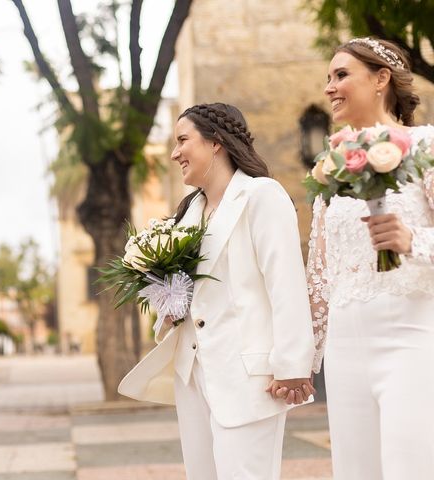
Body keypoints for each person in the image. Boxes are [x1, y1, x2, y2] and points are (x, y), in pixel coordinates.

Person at [118, 102, 315, 479]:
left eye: (182, 140)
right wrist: (168, 302)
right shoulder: (189, 211)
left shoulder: (261, 196)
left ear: (215, 143)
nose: (175, 153)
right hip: (192, 375)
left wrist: (292, 366)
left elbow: (286, 283)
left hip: (247, 378)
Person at [305, 37, 434, 479]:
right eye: (328, 78)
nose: (329, 88)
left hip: (410, 338)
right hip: (345, 349)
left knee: (410, 467)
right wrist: (303, 361)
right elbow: (319, 275)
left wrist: (411, 238)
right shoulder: (330, 166)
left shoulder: (425, 146)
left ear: (381, 79)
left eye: (341, 75)